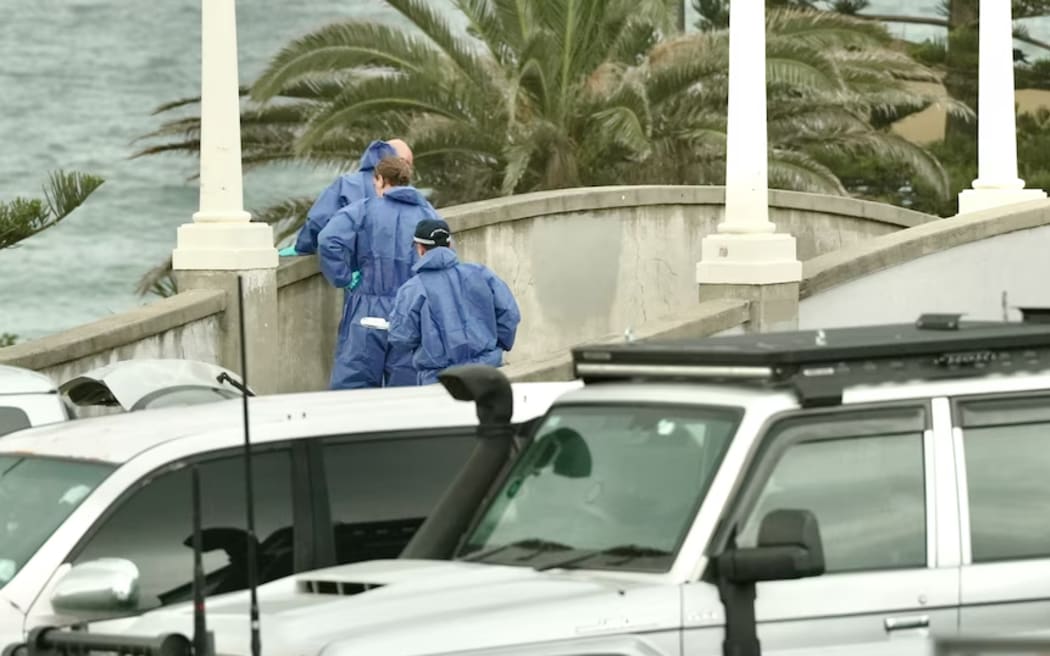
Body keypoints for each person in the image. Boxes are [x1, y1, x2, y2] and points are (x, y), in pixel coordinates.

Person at [318, 156, 441, 390]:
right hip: (412, 310)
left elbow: (327, 240)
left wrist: (344, 277)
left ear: (380, 180)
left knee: (354, 387)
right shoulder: (429, 216)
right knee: (407, 391)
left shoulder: (362, 210)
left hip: (367, 309)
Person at [388, 219, 521, 386]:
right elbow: (509, 313)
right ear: (449, 244)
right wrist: (495, 349)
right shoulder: (481, 274)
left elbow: (401, 338)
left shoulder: (412, 289)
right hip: (488, 371)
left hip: (439, 380)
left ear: (420, 249)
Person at [279, 138, 414, 256]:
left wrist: (303, 248)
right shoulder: (412, 197)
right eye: (408, 163)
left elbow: (318, 220)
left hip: (357, 271)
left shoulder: (347, 184)